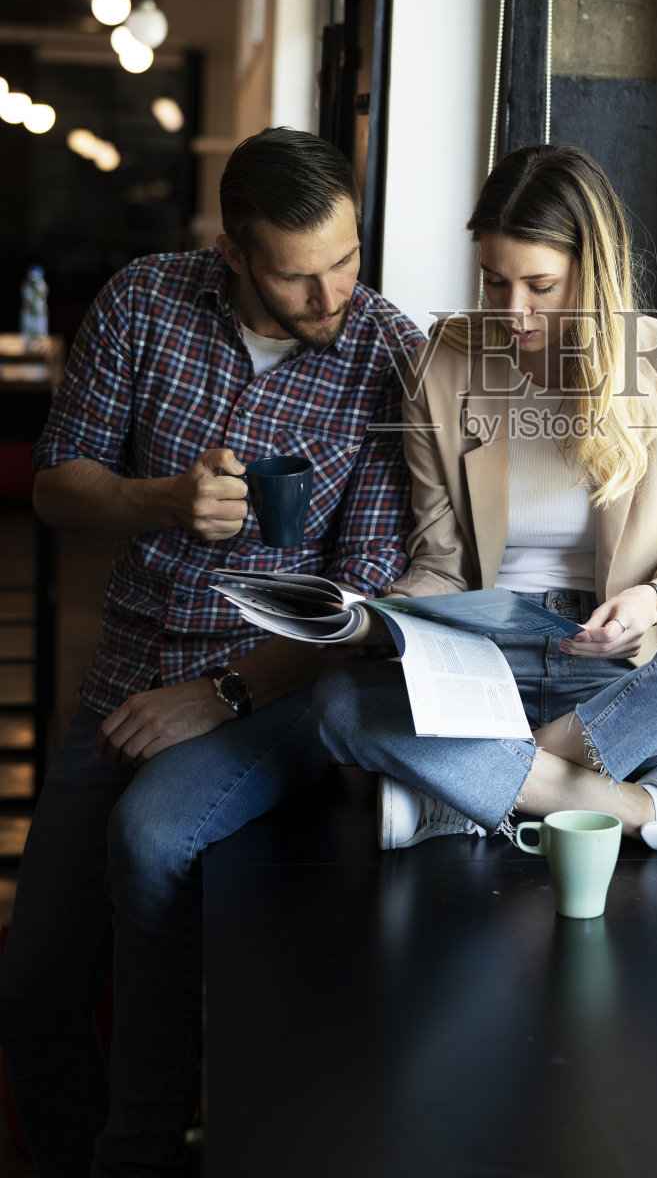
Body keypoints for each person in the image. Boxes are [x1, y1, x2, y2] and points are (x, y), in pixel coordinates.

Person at [0, 127, 422, 1178]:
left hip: (270, 689)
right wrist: (161, 501)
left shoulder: (388, 356)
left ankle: (141, 1153)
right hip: (122, 673)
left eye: (346, 260)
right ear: (231, 252)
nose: (331, 297)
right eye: (296, 276)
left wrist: (221, 691)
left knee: (149, 843)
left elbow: (362, 599)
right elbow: (56, 486)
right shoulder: (145, 300)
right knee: (31, 994)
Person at [313, 144, 657, 863]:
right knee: (338, 700)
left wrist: (650, 602)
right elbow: (440, 562)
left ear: (592, 272)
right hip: (488, 658)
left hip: (620, 668)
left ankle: (480, 787)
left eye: (540, 285)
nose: (512, 311)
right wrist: (382, 615)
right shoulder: (443, 364)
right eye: (494, 282)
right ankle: (647, 806)